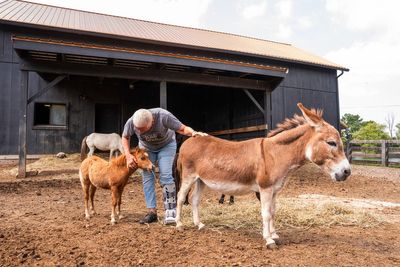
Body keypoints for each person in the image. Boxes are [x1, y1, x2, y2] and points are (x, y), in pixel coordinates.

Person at [122, 108, 207, 225]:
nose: (139, 132)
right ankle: (152, 212)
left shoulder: (163, 116)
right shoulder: (132, 122)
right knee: (147, 177)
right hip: (146, 148)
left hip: (166, 146)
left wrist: (193, 133)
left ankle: (170, 210)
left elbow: (182, 129)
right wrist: (127, 155)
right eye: (138, 129)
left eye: (142, 129)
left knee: (166, 175)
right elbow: (125, 137)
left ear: (151, 122)